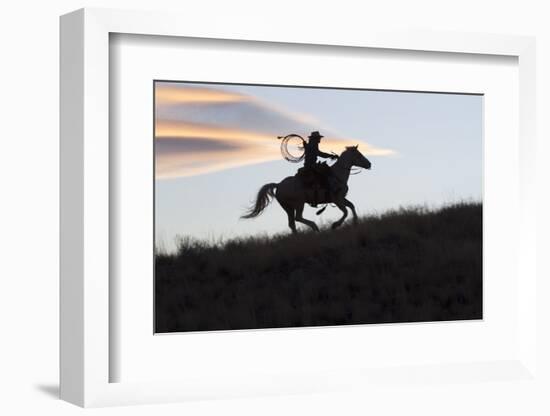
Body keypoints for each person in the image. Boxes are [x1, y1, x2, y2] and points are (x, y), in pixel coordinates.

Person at [299, 131, 338, 207]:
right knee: (327, 172)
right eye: (318, 138)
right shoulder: (313, 145)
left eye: (319, 138)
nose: (319, 139)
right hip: (311, 166)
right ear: (315, 139)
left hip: (310, 165)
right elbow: (319, 153)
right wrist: (330, 156)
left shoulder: (311, 145)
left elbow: (317, 153)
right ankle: (329, 191)